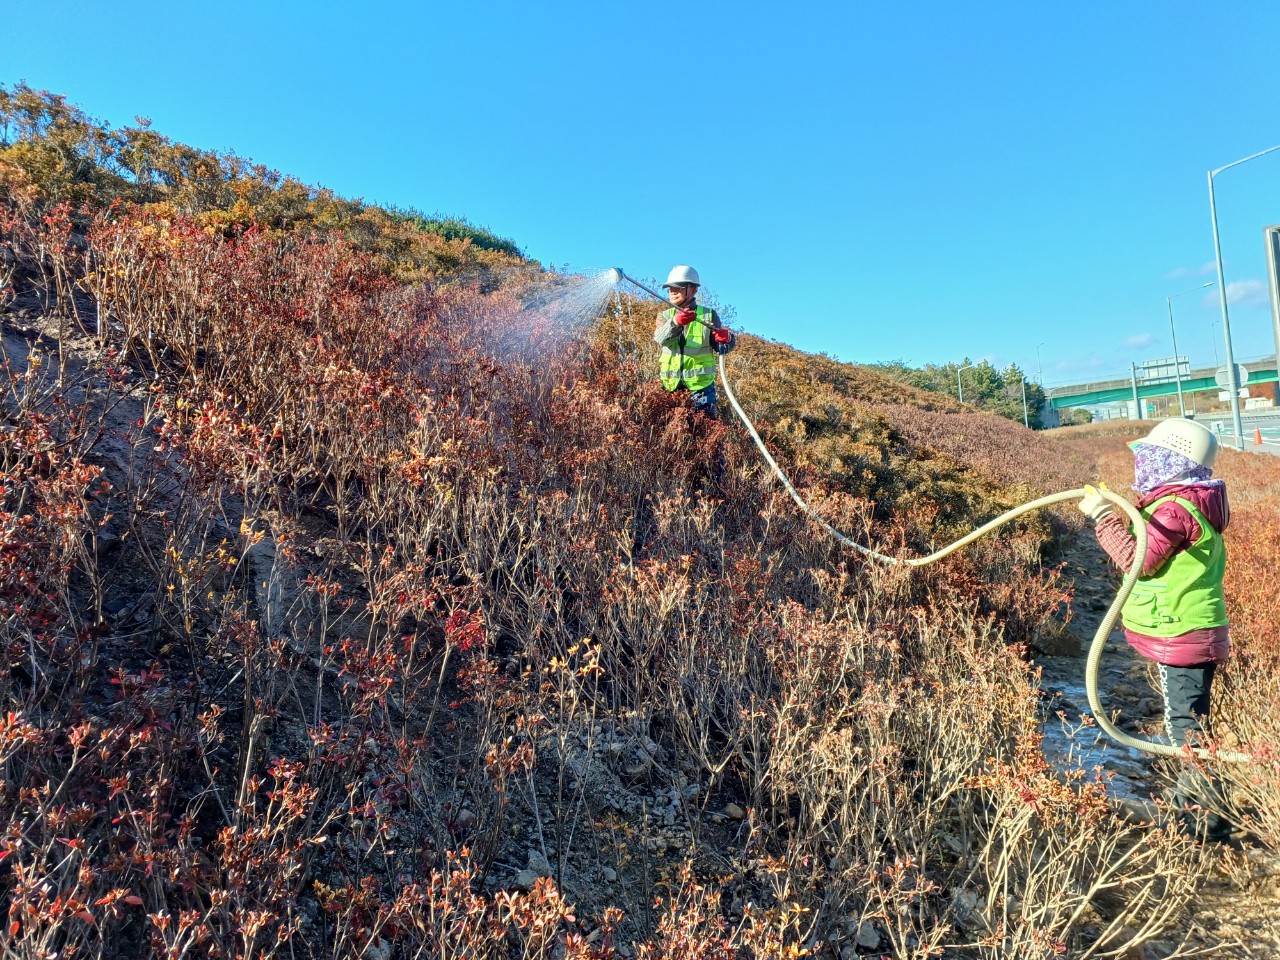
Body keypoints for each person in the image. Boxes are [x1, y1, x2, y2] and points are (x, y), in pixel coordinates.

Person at [1077, 417, 1230, 838]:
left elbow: (1138, 561)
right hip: (1185, 629)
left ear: (1170, 461)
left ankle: (1201, 819)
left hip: (1183, 631)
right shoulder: (1181, 502)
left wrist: (1105, 518)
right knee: (1188, 723)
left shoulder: (1175, 509)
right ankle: (1202, 809)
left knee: (1186, 728)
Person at [652, 265, 735, 419]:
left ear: (693, 289)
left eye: (678, 287)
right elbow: (660, 339)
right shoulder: (665, 316)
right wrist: (675, 323)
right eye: (670, 288)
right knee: (667, 430)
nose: (672, 291)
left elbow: (721, 347)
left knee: (703, 430)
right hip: (670, 386)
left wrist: (728, 340)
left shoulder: (709, 316)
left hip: (701, 389)